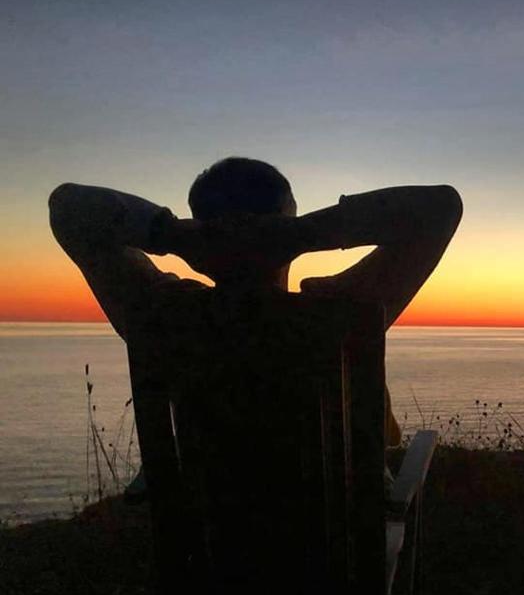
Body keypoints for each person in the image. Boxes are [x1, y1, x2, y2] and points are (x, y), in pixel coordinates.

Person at [49, 157, 462, 498]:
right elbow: (441, 208)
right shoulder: (339, 313)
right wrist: (306, 233)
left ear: (200, 224)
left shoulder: (163, 312)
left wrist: (173, 234)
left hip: (209, 552)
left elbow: (68, 206)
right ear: (287, 222)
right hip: (338, 552)